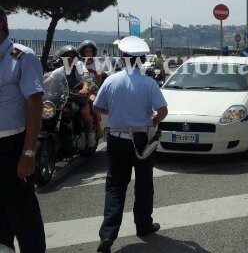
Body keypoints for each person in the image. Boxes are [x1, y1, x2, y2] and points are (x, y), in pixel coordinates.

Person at [93, 36, 168, 253]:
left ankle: (108, 235)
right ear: (142, 60)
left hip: (116, 138)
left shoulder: (110, 81)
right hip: (141, 138)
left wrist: (115, 113)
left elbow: (98, 107)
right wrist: (152, 120)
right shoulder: (149, 82)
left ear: (122, 58)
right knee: (144, 184)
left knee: (115, 186)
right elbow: (162, 111)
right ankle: (143, 225)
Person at [0, 7, 46, 252]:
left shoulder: (22, 56)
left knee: (23, 214)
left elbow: (35, 104)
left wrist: (29, 153)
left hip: (12, 146)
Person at [50, 45, 96, 146]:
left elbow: (87, 79)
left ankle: (90, 133)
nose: (70, 59)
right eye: (67, 57)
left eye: (72, 57)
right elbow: (48, 80)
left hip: (79, 97)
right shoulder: (59, 71)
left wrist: (84, 88)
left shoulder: (79, 67)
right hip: (64, 99)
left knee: (84, 112)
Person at [78, 40, 105, 138]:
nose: (89, 54)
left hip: (93, 89)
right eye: (86, 51)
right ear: (82, 52)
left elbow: (98, 82)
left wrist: (91, 90)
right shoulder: (79, 63)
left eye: (90, 51)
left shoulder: (97, 65)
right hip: (79, 89)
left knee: (93, 101)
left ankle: (98, 126)